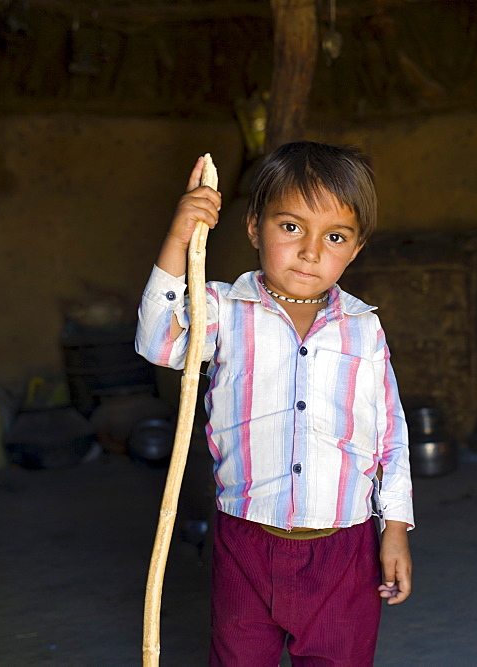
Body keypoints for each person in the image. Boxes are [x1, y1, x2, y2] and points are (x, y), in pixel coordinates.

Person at [135, 141, 414, 666]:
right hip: (246, 543)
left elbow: (390, 435)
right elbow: (158, 343)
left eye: (334, 237)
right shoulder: (220, 310)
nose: (311, 251)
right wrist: (179, 238)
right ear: (253, 226)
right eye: (291, 227)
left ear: (354, 250)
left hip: (345, 549)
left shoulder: (364, 330)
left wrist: (394, 528)